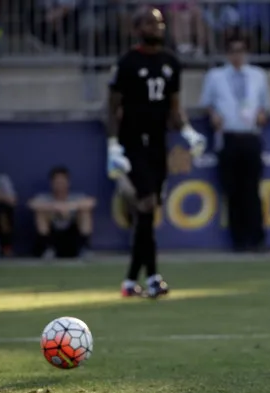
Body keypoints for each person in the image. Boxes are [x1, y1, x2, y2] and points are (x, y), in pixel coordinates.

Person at [107, 6, 206, 298]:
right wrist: (113, 145)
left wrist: (188, 132)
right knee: (147, 204)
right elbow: (112, 108)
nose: (156, 27)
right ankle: (152, 278)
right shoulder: (127, 63)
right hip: (133, 142)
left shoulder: (171, 63)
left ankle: (131, 280)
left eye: (160, 22)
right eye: (149, 23)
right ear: (137, 29)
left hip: (158, 142)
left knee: (147, 212)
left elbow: (174, 109)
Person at [199, 33, 270, 252]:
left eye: (241, 51)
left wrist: (261, 115)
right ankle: (238, 240)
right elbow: (207, 103)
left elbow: (264, 104)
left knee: (252, 190)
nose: (237, 56)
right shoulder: (216, 76)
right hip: (228, 136)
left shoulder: (258, 75)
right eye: (233, 51)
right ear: (227, 54)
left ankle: (257, 239)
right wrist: (213, 115)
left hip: (250, 135)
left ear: (246, 53)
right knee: (232, 191)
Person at [28, 166, 96, 259]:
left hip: (72, 239)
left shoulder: (76, 197)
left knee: (84, 213)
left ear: (68, 183)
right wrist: (55, 207)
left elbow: (91, 203)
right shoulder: (44, 197)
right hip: (52, 238)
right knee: (41, 213)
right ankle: (47, 249)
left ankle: (85, 249)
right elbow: (32, 204)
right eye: (57, 182)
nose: (60, 185)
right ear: (52, 183)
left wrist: (69, 207)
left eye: (62, 182)